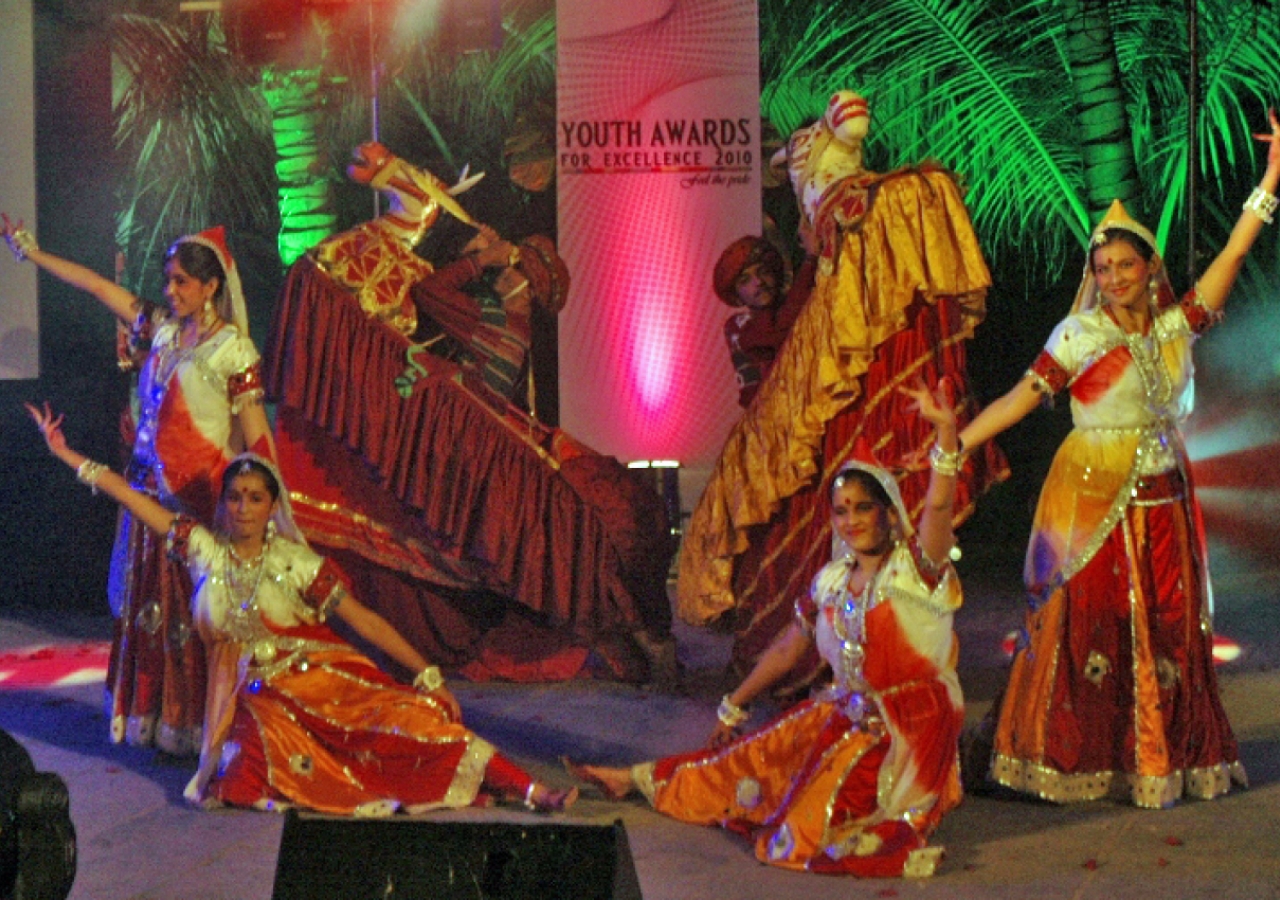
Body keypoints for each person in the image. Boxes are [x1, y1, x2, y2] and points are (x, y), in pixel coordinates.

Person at [25, 403, 576, 816]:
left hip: (321, 678)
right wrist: (66, 453)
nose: (242, 508)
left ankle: (528, 789)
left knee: (416, 722)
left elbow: (364, 621)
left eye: (255, 498)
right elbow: (131, 497)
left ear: (272, 507)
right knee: (246, 763)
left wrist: (426, 672)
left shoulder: (294, 562)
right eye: (234, 497)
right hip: (252, 695)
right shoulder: (201, 549)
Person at [958, 111, 1280, 808]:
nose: (1113, 277)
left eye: (1125, 265)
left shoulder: (1175, 328)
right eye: (1103, 268)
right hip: (1090, 499)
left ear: (1148, 267)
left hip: (1166, 500)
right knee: (1090, 626)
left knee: (1166, 628)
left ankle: (1159, 759)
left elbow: (1229, 258)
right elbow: (1020, 398)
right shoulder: (1078, 334)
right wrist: (958, 442)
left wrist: (1272, 181)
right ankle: (1072, 757)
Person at [676, 90, 1006, 697]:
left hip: (836, 384)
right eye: (745, 282)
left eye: (760, 273)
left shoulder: (839, 264)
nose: (757, 285)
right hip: (796, 412)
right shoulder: (754, 323)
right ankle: (831, 654)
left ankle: (893, 652)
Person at [566, 378, 965, 878]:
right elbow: (785, 650)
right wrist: (734, 705)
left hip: (910, 729)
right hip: (849, 711)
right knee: (755, 753)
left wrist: (946, 435)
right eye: (841, 511)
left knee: (798, 834)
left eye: (864, 507)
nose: (852, 520)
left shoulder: (915, 571)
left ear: (888, 513)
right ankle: (634, 779)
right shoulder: (833, 581)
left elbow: (941, 508)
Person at [2, 217, 274, 755]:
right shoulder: (163, 330)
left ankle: (202, 726)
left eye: (181, 282)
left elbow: (254, 433)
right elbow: (97, 286)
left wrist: (267, 506)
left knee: (194, 617)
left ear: (211, 286)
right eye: (168, 280)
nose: (169, 291)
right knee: (146, 612)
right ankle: (154, 715)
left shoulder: (233, 351)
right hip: (144, 494)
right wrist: (29, 252)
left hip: (196, 499)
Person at [713, 234, 813, 408]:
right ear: (737, 295)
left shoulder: (802, 300)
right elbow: (775, 334)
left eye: (764, 272)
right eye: (745, 280)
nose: (758, 282)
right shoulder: (740, 328)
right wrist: (810, 261)